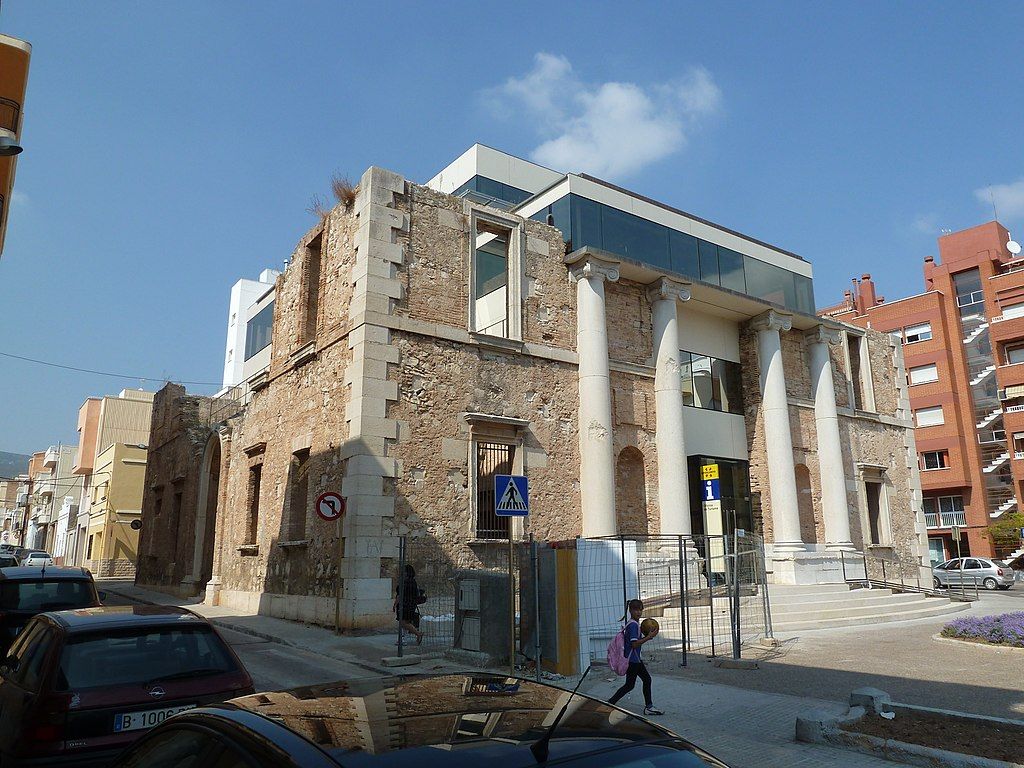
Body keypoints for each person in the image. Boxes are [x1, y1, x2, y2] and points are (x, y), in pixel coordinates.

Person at [608, 598, 663, 716]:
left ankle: (610, 702)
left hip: (634, 659)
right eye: (635, 610)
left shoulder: (634, 624)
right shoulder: (633, 625)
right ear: (630, 611)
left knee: (631, 685)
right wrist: (649, 637)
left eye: (640, 610)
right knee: (642, 681)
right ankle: (648, 707)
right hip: (633, 660)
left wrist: (646, 634)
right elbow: (634, 644)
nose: (638, 612)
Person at [394, 564, 424, 645]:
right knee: (406, 622)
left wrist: (395, 605)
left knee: (403, 622)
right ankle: (403, 639)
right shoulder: (413, 581)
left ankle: (418, 634)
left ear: (406, 572)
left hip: (405, 605)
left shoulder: (404, 582)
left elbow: (399, 595)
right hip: (411, 604)